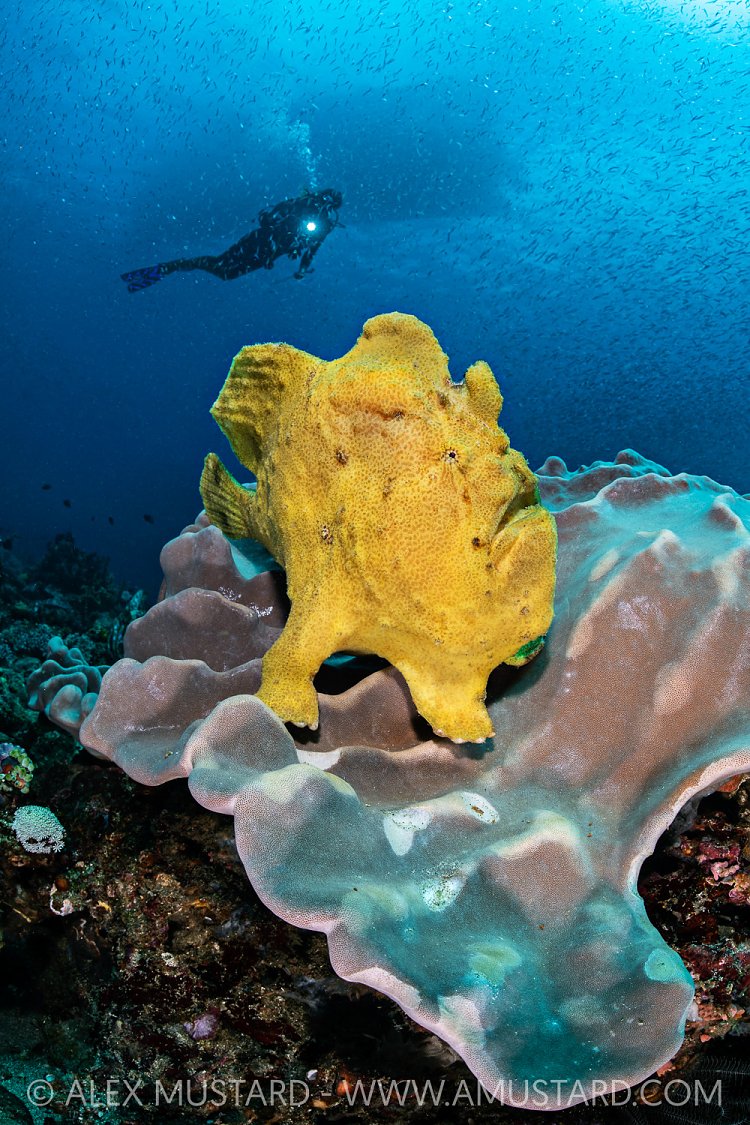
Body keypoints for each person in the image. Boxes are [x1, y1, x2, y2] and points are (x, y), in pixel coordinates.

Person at [121, 188, 343, 292]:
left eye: (329, 206)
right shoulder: (299, 205)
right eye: (323, 201)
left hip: (269, 255)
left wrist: (303, 270)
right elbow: (271, 215)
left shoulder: (324, 226)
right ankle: (171, 266)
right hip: (260, 240)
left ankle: (177, 265)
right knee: (221, 263)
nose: (322, 207)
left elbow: (311, 251)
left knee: (226, 274)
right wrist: (276, 225)